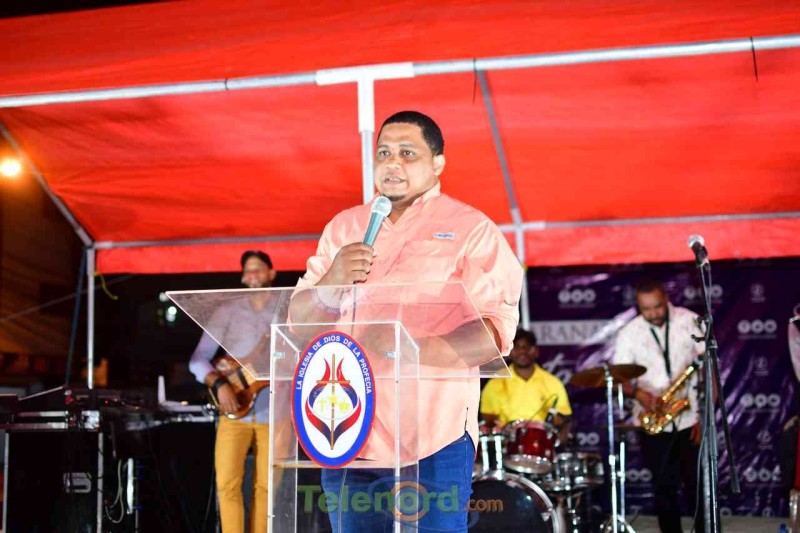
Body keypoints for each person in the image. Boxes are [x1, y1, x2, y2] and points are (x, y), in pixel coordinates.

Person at [293, 110, 524, 532]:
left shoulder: (471, 229)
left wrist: (413, 348)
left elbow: (495, 331)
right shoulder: (344, 227)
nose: (392, 163)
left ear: (438, 163)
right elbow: (298, 324)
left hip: (434, 439)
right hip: (346, 430)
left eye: (407, 153)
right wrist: (332, 279)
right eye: (383, 153)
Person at [189, 250, 277, 533]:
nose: (253, 275)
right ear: (242, 277)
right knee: (227, 484)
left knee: (268, 487)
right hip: (233, 408)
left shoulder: (285, 310)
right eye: (248, 270)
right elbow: (197, 360)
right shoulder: (227, 311)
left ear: (272, 273)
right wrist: (219, 384)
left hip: (275, 410)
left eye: (259, 268)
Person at [612, 278, 705, 533]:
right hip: (653, 418)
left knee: (699, 487)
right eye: (646, 309)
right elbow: (620, 378)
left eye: (657, 307)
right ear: (638, 306)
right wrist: (639, 393)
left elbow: (708, 370)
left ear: (666, 299)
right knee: (664, 487)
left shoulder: (689, 321)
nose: (653, 314)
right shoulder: (629, 333)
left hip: (690, 418)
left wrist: (703, 415)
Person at [480, 328, 572, 443]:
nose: (522, 351)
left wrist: (558, 423)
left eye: (527, 347)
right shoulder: (495, 383)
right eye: (517, 347)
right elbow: (489, 421)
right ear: (509, 352)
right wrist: (494, 425)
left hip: (542, 444)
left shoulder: (553, 383)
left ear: (536, 351)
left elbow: (563, 419)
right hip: (508, 444)